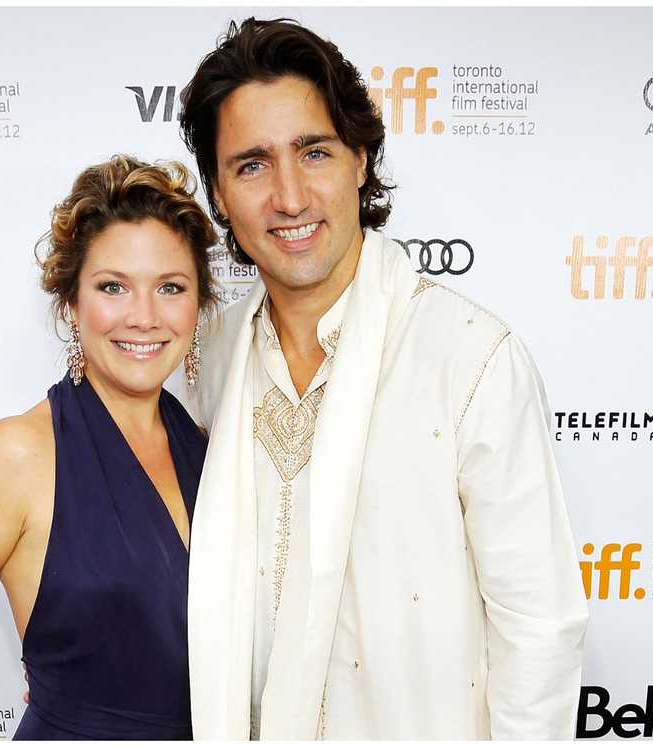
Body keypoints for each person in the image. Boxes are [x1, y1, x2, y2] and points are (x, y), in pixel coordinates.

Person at [178, 18, 589, 739]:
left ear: (360, 159)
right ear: (219, 191)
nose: (290, 197)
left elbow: (538, 629)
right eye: (252, 165)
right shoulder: (203, 362)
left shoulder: (469, 358)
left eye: (314, 152)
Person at [0, 155, 218, 740]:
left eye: (170, 288)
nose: (144, 317)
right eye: (113, 287)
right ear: (70, 303)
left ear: (198, 305)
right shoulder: (16, 456)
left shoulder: (211, 445)